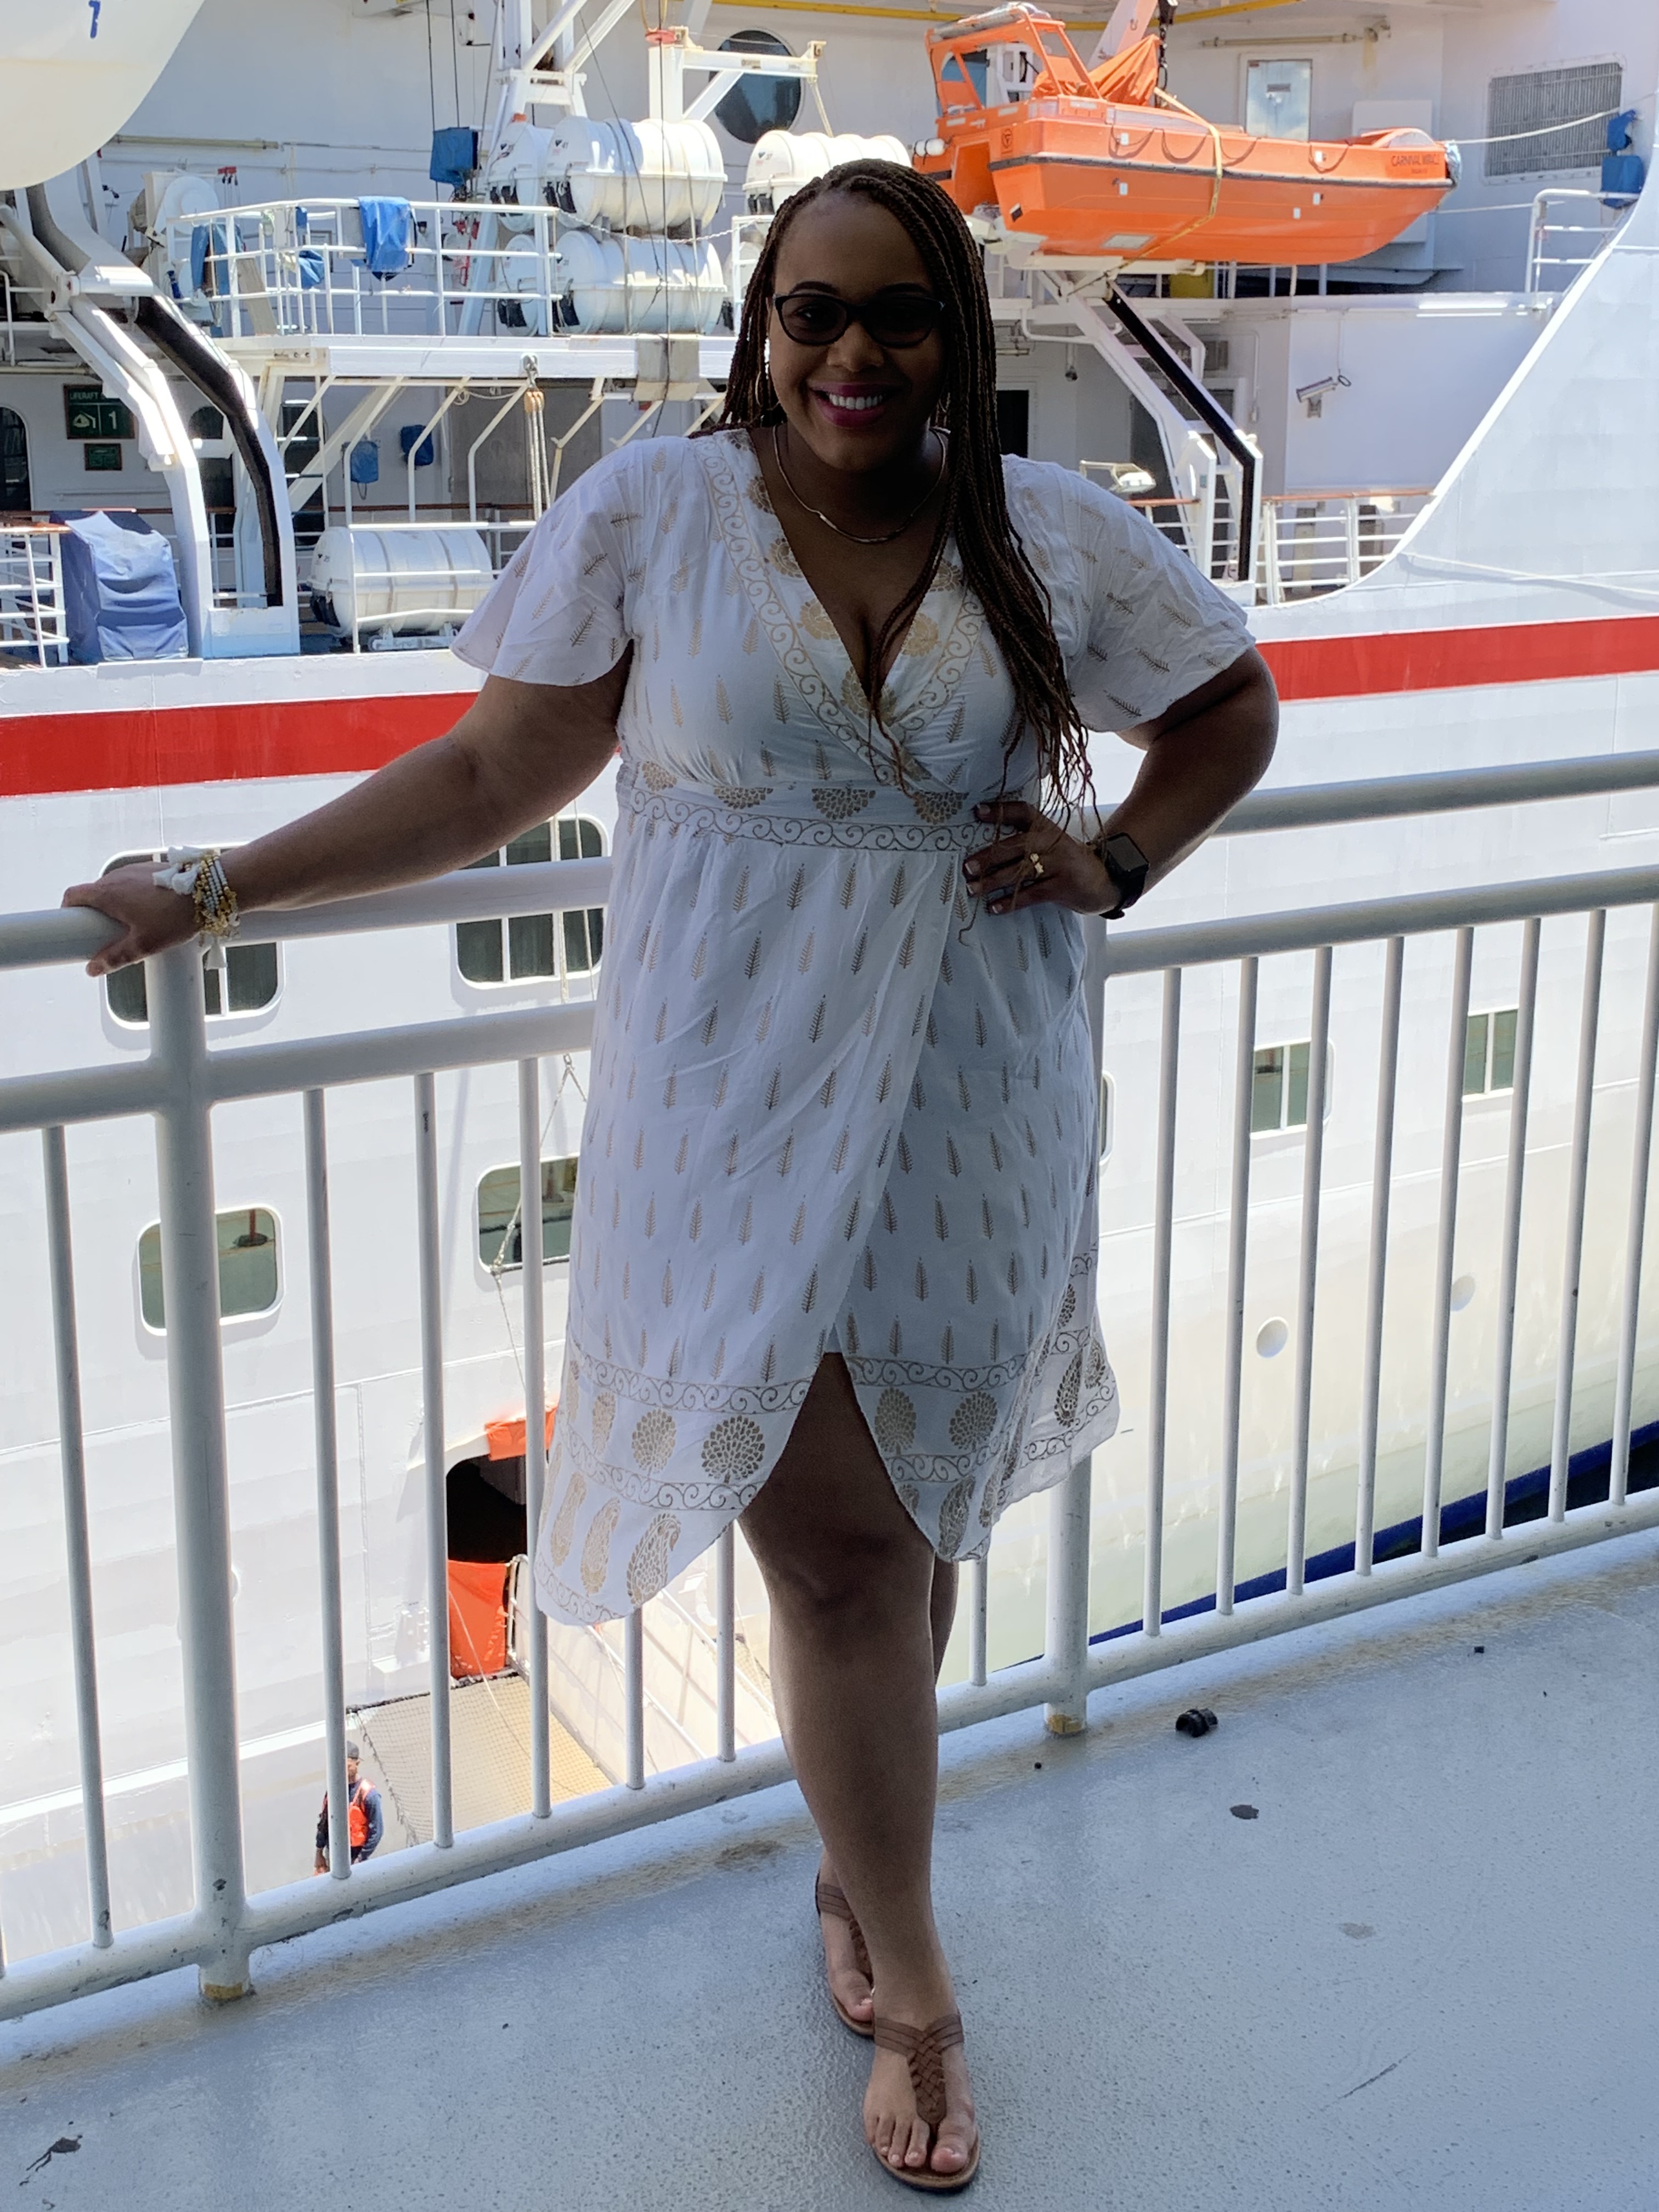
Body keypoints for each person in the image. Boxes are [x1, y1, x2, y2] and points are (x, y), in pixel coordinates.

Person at [67, 163, 1275, 2190]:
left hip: (972, 1093)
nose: (850, 354)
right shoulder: (652, 511)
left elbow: (1229, 706)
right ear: (759, 327)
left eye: (896, 315)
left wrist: (1119, 858)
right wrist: (218, 885)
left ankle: (858, 1867)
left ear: (955, 335)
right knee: (837, 1556)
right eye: (812, 313)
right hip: (723, 1107)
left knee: (907, 1524)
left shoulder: (1046, 531)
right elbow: (490, 772)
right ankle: (916, 1988)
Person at [314, 1741, 382, 1874]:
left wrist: (360, 1860)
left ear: (357, 1764)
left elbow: (377, 1831)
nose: (343, 1771)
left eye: (348, 1767)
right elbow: (324, 1822)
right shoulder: (334, 1789)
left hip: (356, 1856)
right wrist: (319, 1852)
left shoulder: (369, 1795)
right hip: (333, 1855)